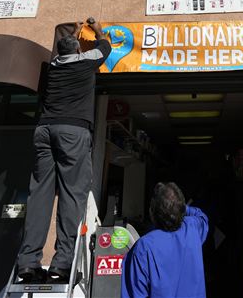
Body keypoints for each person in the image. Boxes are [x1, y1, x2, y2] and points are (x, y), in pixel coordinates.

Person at [16, 18, 111, 284]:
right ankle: (61, 264)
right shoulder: (86, 62)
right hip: (72, 132)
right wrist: (97, 28)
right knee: (71, 194)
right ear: (78, 52)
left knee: (40, 195)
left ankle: (28, 263)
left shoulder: (52, 68)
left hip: (44, 130)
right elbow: (105, 47)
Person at [121, 182, 208, 298]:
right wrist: (177, 207)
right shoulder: (193, 228)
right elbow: (202, 216)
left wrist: (172, 207)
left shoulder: (143, 248)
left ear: (152, 212)